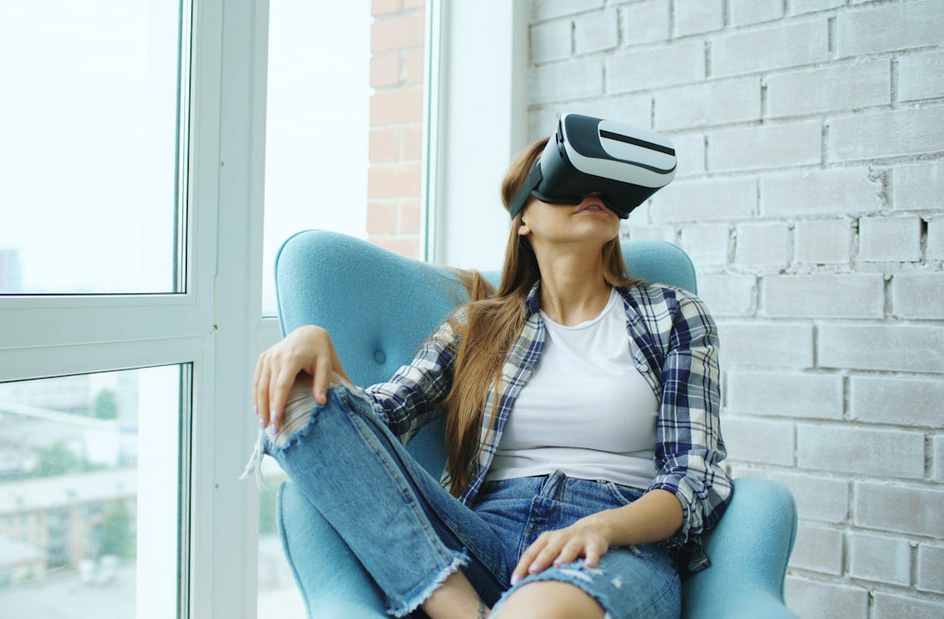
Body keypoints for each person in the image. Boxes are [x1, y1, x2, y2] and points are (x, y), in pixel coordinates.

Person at [250, 121, 733, 618]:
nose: (593, 194)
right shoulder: (476, 328)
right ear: (524, 218)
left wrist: (602, 527)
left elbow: (694, 479)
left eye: (603, 186)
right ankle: (454, 603)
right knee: (300, 399)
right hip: (477, 538)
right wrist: (312, 345)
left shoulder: (674, 315)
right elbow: (371, 425)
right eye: (567, 183)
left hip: (613, 542)